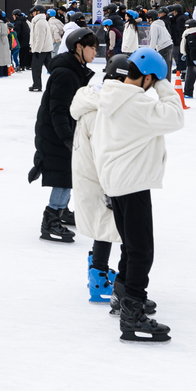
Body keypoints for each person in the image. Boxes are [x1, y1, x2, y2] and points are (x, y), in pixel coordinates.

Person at [93, 47, 184, 342]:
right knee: (142, 250)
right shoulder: (135, 105)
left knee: (131, 244)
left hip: (117, 181)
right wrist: (163, 85)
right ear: (146, 78)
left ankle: (123, 293)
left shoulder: (113, 96)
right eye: (154, 80)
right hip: (131, 183)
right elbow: (175, 117)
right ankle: (133, 314)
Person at [71, 54, 130, 303]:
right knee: (106, 227)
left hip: (91, 175)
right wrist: (109, 186)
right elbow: (102, 151)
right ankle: (98, 277)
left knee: (103, 226)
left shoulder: (94, 98)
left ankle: (98, 268)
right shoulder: (100, 111)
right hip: (99, 178)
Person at [29, 27, 97, 243]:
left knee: (68, 173)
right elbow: (58, 109)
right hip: (56, 132)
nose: (95, 52)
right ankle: (50, 220)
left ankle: (63, 211)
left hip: (62, 129)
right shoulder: (66, 73)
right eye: (92, 48)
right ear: (79, 47)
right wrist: (67, 138)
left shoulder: (75, 68)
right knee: (64, 175)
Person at [28, 6, 53, 92]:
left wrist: (37, 50)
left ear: (38, 12)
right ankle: (61, 82)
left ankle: (37, 85)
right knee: (50, 68)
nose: (32, 13)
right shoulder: (42, 21)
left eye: (34, 11)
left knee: (36, 68)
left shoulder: (40, 23)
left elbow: (40, 38)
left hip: (41, 50)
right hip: (45, 48)